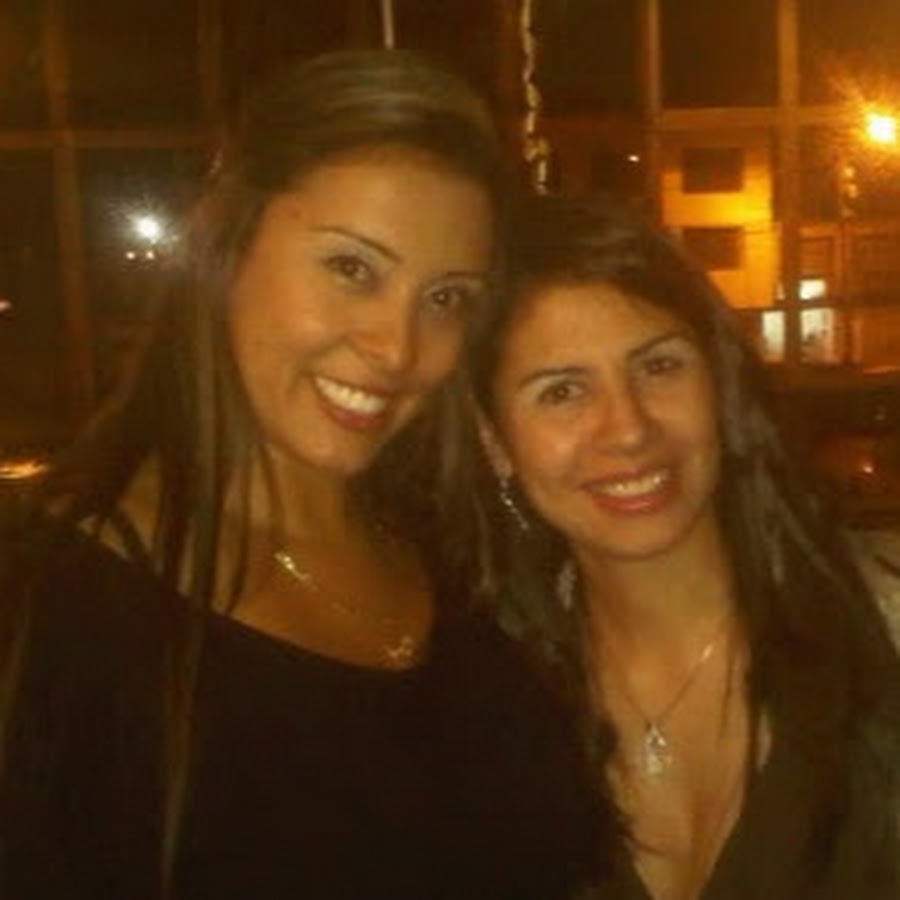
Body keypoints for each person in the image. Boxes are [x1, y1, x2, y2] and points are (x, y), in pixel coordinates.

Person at [0, 52, 601, 898]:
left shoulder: (466, 559)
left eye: (446, 298)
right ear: (228, 248)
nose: (396, 348)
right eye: (352, 269)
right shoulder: (46, 610)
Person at [473, 193, 900, 900]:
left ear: (720, 385)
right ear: (495, 445)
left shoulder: (879, 632)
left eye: (659, 367)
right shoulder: (484, 702)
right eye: (562, 392)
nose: (628, 428)